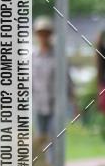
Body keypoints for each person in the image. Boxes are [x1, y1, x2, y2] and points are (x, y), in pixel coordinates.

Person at [32, 16, 75, 147]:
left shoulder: (58, 55)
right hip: (38, 104)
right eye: (40, 33)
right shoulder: (33, 56)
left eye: (46, 33)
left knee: (54, 140)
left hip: (55, 105)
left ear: (50, 34)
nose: (43, 36)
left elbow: (67, 79)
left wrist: (73, 101)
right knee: (40, 141)